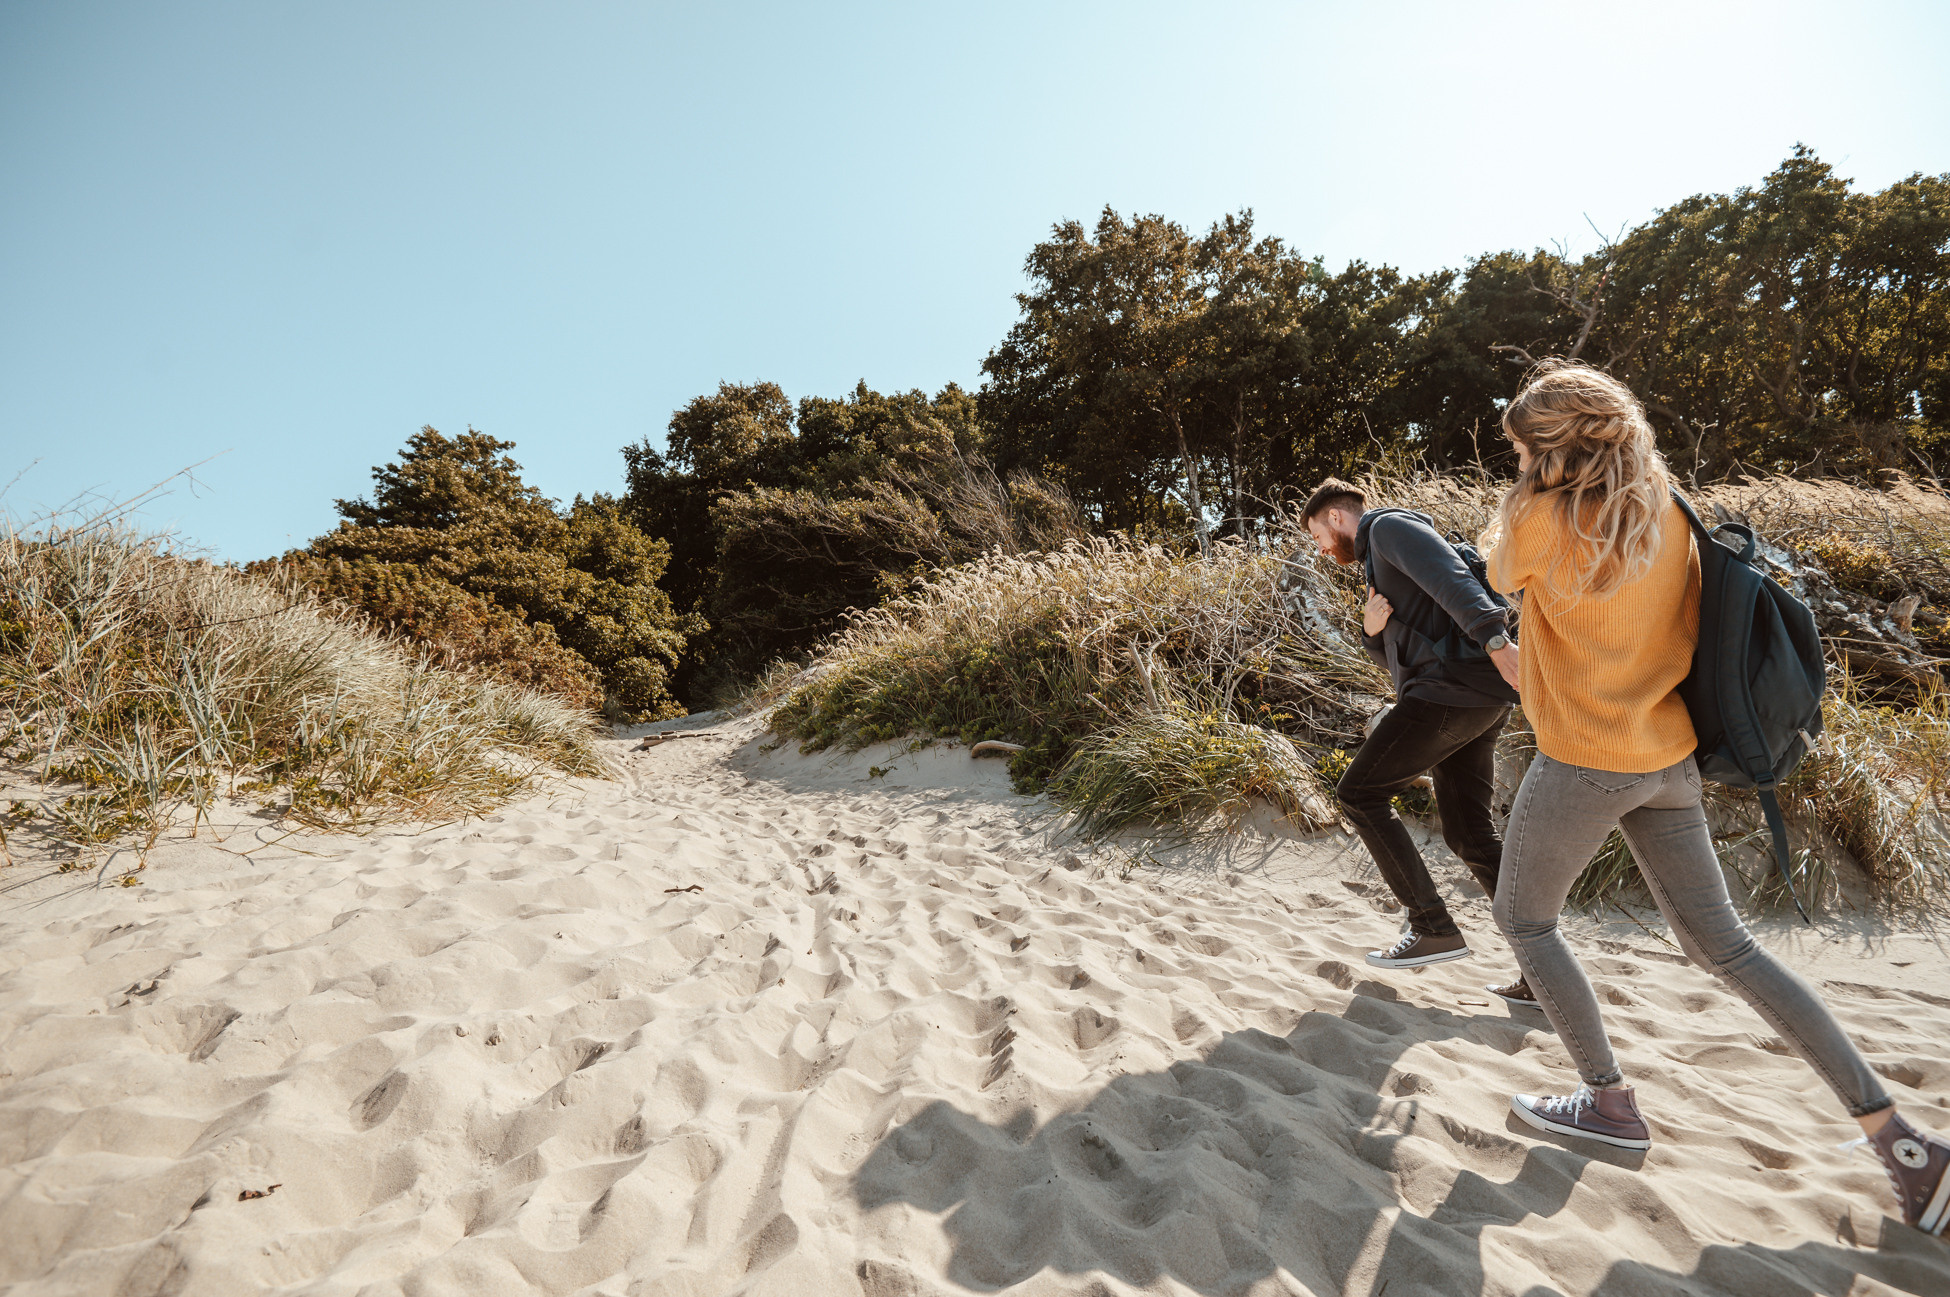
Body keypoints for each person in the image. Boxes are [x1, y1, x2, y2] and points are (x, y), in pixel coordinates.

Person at [1484, 359, 1948, 1237]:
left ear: (1548, 450)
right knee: (1727, 947)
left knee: (1526, 921)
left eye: (1522, 447)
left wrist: (1522, 491)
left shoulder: (1542, 519)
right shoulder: (1668, 511)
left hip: (1585, 756)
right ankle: (1899, 1138)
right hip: (1669, 756)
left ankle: (1608, 1102)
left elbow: (1498, 571)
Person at [1301, 478, 1533, 1004]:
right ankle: (1543, 970)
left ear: (1336, 518)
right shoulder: (1378, 567)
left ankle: (1431, 926)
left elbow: (1454, 580)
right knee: (1470, 833)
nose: (1320, 549)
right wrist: (1370, 630)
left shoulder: (1388, 528)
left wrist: (1496, 641)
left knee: (1359, 793)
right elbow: (1401, 668)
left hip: (1451, 694)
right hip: (1469, 694)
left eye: (1317, 535)